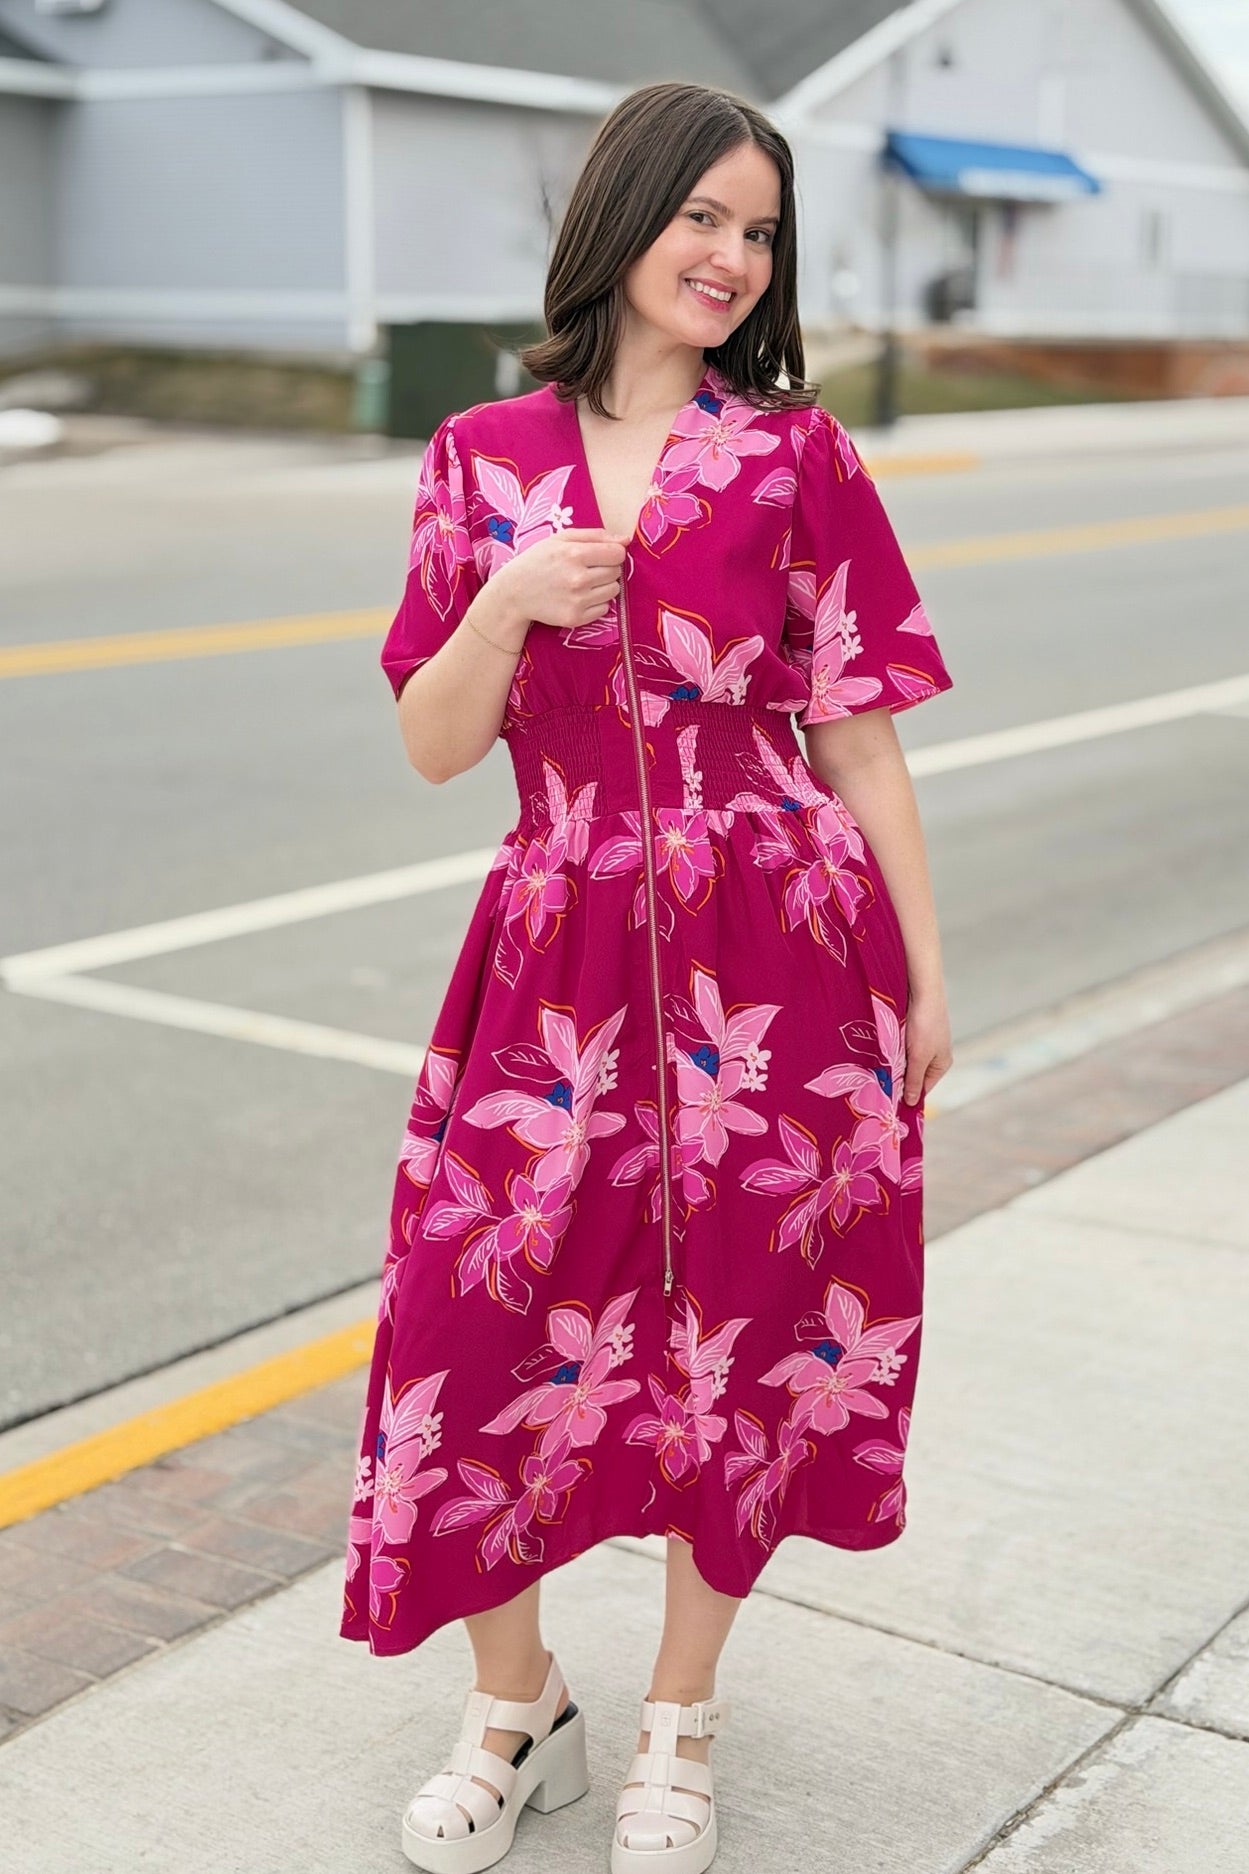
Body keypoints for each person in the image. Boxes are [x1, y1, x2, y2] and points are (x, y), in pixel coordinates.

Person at [340, 79, 955, 1874]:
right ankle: (517, 1706)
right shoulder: (474, 458)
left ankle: (681, 1720)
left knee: (747, 1339)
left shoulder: (796, 458)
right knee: (473, 1326)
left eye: (758, 231)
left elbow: (860, 742)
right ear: (624, 219)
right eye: (702, 215)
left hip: (780, 937)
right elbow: (432, 744)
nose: (730, 257)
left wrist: (922, 975)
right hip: (552, 950)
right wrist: (504, 603)